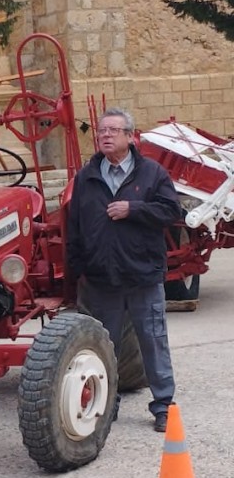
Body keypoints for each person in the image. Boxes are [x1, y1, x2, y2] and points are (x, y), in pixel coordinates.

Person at [66, 107, 181, 432]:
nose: (105, 135)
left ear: (130, 137)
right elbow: (74, 227)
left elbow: (172, 211)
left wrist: (134, 209)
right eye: (101, 131)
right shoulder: (86, 176)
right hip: (102, 281)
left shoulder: (151, 174)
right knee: (103, 348)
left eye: (113, 130)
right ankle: (106, 404)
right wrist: (79, 268)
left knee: (153, 341)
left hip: (142, 277)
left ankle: (163, 407)